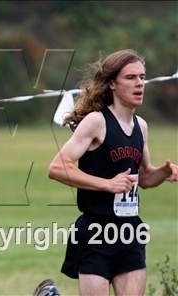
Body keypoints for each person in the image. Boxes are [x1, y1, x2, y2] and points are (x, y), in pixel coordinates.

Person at [48, 49, 178, 295]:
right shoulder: (96, 122)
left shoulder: (141, 126)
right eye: (130, 77)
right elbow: (57, 168)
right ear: (112, 84)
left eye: (142, 77)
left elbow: (144, 178)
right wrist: (107, 184)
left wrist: (165, 170)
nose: (139, 83)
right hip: (96, 232)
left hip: (130, 231)